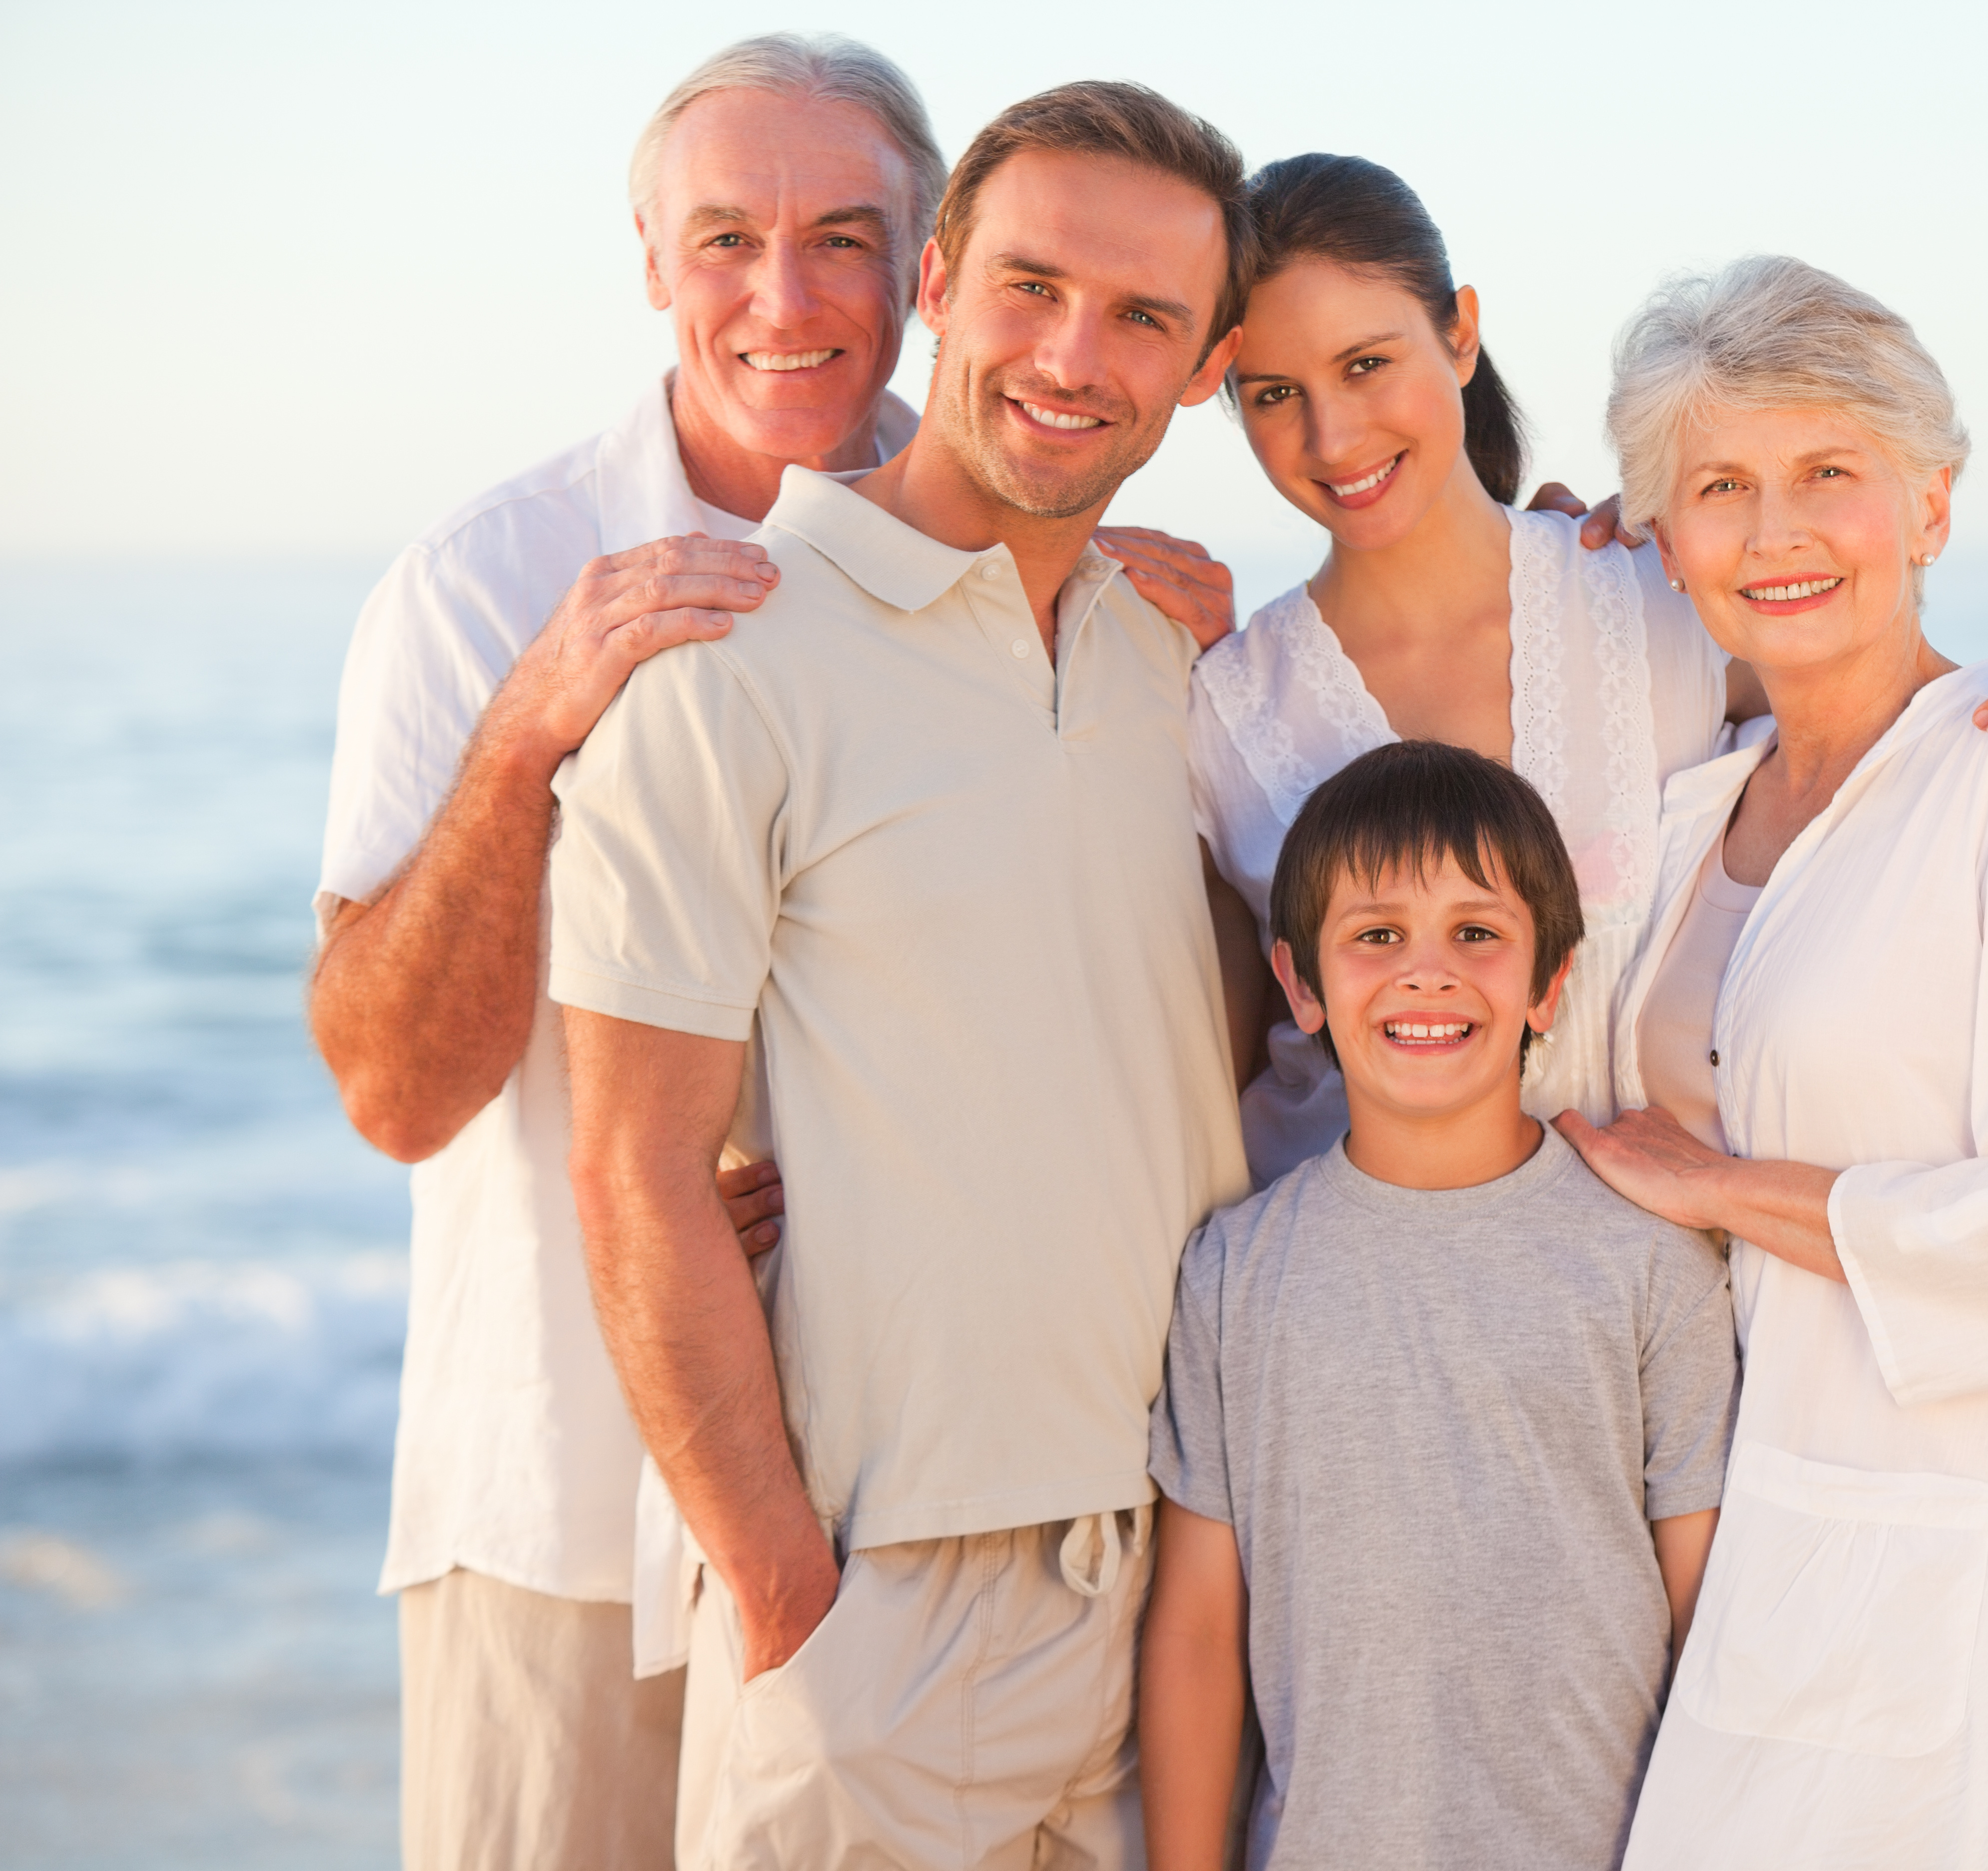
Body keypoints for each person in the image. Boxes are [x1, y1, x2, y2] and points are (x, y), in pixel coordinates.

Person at [549, 82, 1261, 1869]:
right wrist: (794, 1605)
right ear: (938, 277)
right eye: (1029, 284)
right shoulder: (733, 662)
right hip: (884, 1604)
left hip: (1191, 1568)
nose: (1072, 353)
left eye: (1143, 318)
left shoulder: (1173, 664)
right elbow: (632, 1171)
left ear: (1203, 364)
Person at [305, 35, 947, 1871]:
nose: (785, 294)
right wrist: (526, 739)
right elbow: (394, 1092)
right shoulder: (485, 581)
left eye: (845, 236)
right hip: (565, 1515)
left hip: (912, 1514)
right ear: (651, 261)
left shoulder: (1012, 568)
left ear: (924, 265)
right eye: (727, 237)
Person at [1142, 154, 1988, 1188]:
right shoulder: (1221, 715)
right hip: (1365, 1308)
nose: (1334, 433)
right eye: (1273, 394)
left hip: (1656, 1305)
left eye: (1367, 364)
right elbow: (1214, 1070)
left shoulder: (1651, 597)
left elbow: (1891, 729)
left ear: (1459, 334)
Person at [1557, 256, 1988, 1869]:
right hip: (1732, 1545)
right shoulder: (1695, 800)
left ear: (1927, 505)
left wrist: (1720, 1183)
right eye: (1719, 487)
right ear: (1664, 535)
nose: (1774, 534)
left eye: (1825, 475)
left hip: (1964, 1546)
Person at [1140, 740, 1738, 1871]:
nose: (1427, 975)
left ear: (1547, 982)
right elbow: (1199, 1631)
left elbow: (1705, 1611)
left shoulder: (1651, 1264)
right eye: (1377, 937)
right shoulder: (1235, 1272)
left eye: (1477, 934)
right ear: (1301, 987)